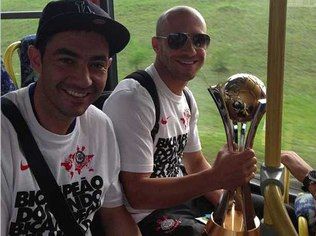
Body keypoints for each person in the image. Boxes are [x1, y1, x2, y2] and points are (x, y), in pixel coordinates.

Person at [103, 6, 257, 235]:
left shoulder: (186, 98)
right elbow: (137, 194)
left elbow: (194, 163)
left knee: (269, 212)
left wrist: (230, 204)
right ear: (157, 45)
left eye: (200, 40)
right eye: (177, 40)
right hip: (146, 214)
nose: (190, 49)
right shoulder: (134, 99)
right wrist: (216, 177)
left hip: (183, 199)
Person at [1, 0, 141, 235]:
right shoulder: (5, 136)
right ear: (36, 59)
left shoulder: (99, 125)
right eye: (67, 60)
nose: (83, 79)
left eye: (96, 64)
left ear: (108, 66)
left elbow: (114, 213)